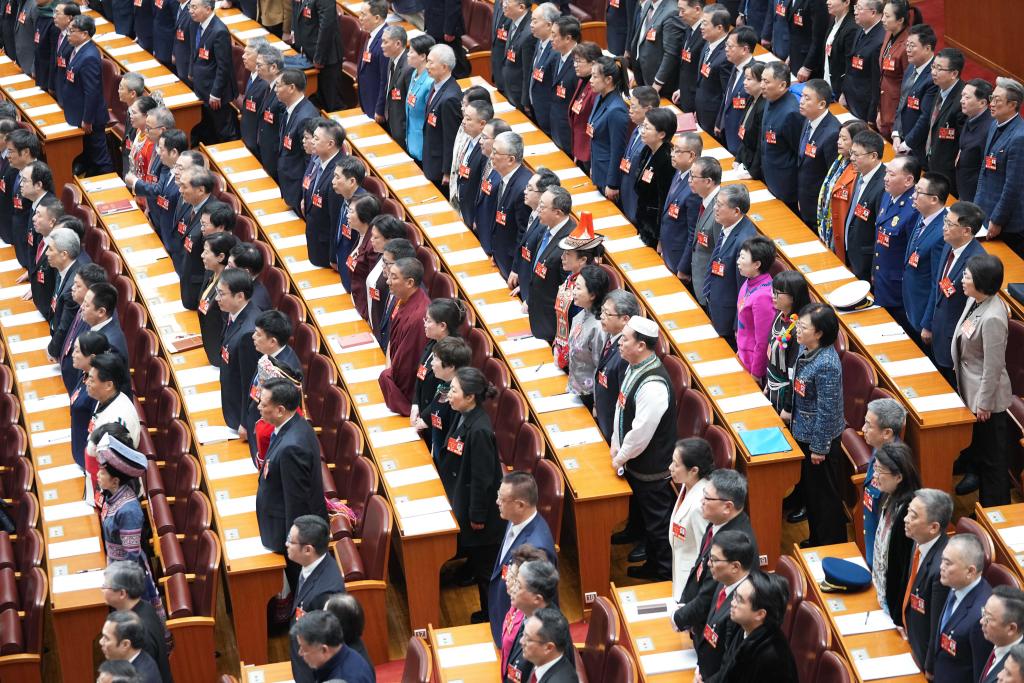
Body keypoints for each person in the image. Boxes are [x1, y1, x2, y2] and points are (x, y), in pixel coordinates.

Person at [612, 316, 676, 581]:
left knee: (658, 525)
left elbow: (641, 432)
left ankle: (664, 573)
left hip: (652, 468)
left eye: (625, 339)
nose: (619, 342)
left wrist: (621, 457)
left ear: (641, 345)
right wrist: (616, 445)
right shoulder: (634, 366)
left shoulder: (653, 384)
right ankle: (652, 563)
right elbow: (621, 408)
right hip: (635, 462)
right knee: (647, 519)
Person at [255, 378, 327, 593]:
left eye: (263, 404)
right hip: (280, 523)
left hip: (290, 535)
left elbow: (297, 503)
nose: (258, 407)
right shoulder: (293, 426)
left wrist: (293, 544)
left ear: (279, 410)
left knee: (301, 590)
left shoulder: (292, 447)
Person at [443, 368, 504, 614]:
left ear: (470, 397)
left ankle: (492, 617)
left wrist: (477, 516)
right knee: (480, 568)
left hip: (483, 518)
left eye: (454, 390)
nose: (449, 394)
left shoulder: (479, 430)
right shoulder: (463, 415)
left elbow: (482, 479)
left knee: (486, 572)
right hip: (464, 500)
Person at [953, 253, 1012, 505]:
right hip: (971, 390)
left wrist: (984, 403)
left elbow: (993, 366)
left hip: (987, 401)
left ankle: (995, 514)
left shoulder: (993, 317)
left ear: (981, 282)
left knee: (993, 461)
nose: (962, 279)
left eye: (967, 276)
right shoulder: (975, 300)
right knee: (981, 452)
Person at [791, 302, 846, 546]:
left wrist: (819, 447)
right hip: (805, 431)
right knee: (813, 494)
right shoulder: (807, 349)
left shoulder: (826, 364)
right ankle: (816, 539)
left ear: (819, 333)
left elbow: (828, 410)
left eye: (803, 327)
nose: (797, 330)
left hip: (819, 442)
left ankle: (830, 545)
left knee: (825, 498)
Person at [673, 468, 757, 618]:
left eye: (707, 498)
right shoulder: (717, 521)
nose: (702, 502)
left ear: (727, 507)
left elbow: (709, 596)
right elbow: (699, 566)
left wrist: (679, 618)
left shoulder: (734, 546)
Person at [95, 429, 162, 617]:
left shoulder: (129, 510)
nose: (98, 475)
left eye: (102, 473)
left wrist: (122, 589)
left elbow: (131, 557)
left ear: (115, 481)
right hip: (115, 565)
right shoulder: (112, 496)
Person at [488, 472, 558, 644]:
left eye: (502, 499)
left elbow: (535, 605)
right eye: (498, 495)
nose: (497, 502)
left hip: (517, 634)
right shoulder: (515, 519)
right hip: (503, 618)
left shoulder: (537, 549)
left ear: (520, 505)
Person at [926, 200, 986, 389]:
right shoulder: (948, 245)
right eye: (945, 221)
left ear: (966, 231)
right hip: (938, 335)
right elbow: (938, 287)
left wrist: (962, 351)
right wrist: (928, 324)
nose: (944, 227)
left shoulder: (977, 263)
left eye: (949, 224)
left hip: (956, 347)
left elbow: (976, 312)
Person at [686, 530, 754, 681]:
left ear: (735, 566)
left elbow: (733, 663)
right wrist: (700, 667)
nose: (708, 563)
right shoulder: (723, 583)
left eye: (715, 560)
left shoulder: (743, 607)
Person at [286, 516, 346, 683]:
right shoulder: (315, 563)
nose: (286, 544)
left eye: (291, 541)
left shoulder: (325, 594)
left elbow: (325, 649)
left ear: (308, 549)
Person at [902, 488, 953, 674]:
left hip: (924, 659)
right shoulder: (919, 541)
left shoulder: (941, 570)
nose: (905, 519)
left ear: (933, 527)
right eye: (908, 511)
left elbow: (937, 626)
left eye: (913, 516)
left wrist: (930, 668)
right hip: (911, 639)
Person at [715, 571, 799, 682]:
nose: (732, 603)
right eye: (735, 595)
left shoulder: (773, 660)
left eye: (739, 600)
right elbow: (725, 671)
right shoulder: (743, 626)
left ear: (760, 614)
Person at [870, 442, 919, 624]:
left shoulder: (908, 515)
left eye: (879, 471)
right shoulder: (889, 496)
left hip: (894, 607)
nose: (874, 476)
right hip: (881, 592)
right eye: (875, 468)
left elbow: (902, 569)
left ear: (898, 477)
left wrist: (897, 617)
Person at [933, 534, 994, 683]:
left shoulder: (980, 618)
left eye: (948, 563)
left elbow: (979, 673)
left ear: (970, 571)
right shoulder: (957, 584)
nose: (941, 567)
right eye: (942, 560)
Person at [241, 310, 301, 455]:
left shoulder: (285, 372)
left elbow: (279, 415)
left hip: (267, 435)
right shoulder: (270, 356)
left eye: (258, 334)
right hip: (255, 423)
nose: (253, 336)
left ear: (272, 341)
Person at [705, 185, 758, 348]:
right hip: (716, 306)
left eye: (720, 205)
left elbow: (745, 289)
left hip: (728, 321)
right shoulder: (727, 227)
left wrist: (737, 325)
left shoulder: (744, 241)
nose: (715, 208)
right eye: (716, 202)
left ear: (736, 211)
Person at [101, 562, 172, 683]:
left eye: (105, 586)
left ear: (122, 593)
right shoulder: (145, 606)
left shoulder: (139, 632)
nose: (102, 589)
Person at [975, 78, 1024, 253]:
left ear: (1012, 105)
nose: (991, 104)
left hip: (1006, 224)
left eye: (997, 100)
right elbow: (985, 170)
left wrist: (997, 220)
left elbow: (1013, 186)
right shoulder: (994, 125)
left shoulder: (1019, 137)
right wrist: (976, 208)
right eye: (992, 98)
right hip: (985, 213)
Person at [377, 258, 431, 416]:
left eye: (394, 277)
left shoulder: (418, 317)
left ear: (410, 282)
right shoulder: (404, 299)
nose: (388, 281)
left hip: (406, 390)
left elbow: (408, 366)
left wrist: (388, 377)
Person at [873, 155, 921, 330]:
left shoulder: (914, 209)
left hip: (898, 290)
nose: (886, 178)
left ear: (908, 180)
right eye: (886, 173)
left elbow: (913, 254)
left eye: (892, 175)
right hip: (882, 279)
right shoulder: (888, 195)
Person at [856, 397, 907, 565]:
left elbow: (892, 527)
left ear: (887, 433)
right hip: (872, 543)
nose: (863, 429)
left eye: (868, 425)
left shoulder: (893, 470)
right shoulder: (879, 450)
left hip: (883, 557)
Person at [504, 560, 572, 683]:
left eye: (519, 586)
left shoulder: (548, 635)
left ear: (537, 598)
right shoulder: (530, 615)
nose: (513, 589)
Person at [86, 354, 140, 505]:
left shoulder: (118, 419)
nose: (87, 383)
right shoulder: (107, 398)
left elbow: (115, 467)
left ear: (108, 385)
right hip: (100, 482)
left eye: (92, 380)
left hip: (114, 494)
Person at [902, 173, 949, 346]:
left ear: (934, 199)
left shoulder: (942, 233)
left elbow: (937, 282)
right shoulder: (923, 216)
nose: (913, 196)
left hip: (923, 316)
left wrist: (928, 324)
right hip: (912, 306)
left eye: (918, 192)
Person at [62, 15, 113, 175]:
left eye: (72, 31)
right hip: (78, 112)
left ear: (84, 34)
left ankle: (109, 181)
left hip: (91, 118)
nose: (68, 34)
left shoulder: (89, 56)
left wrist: (87, 119)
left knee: (100, 157)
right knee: (90, 152)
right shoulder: (78, 50)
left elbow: (92, 92)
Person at [527, 187, 577, 345]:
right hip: (537, 314)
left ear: (557, 213)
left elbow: (567, 292)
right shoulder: (545, 228)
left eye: (542, 207)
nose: (538, 210)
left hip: (552, 325)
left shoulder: (570, 244)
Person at [411, 298, 465, 442]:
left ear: (442, 326)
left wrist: (426, 418)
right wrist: (415, 404)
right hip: (423, 415)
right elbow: (421, 373)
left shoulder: (453, 355)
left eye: (428, 321)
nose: (424, 324)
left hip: (438, 424)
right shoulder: (433, 343)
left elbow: (445, 392)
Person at [552, 227, 604, 372]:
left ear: (582, 260)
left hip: (578, 359)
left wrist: (565, 355)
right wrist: (557, 345)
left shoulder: (587, 288)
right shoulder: (571, 277)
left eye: (568, 254)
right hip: (562, 348)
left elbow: (583, 328)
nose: (562, 257)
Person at [667, 438, 713, 601]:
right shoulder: (688, 484)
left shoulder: (700, 506)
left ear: (693, 470)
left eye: (676, 464)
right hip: (679, 569)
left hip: (691, 583)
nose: (670, 467)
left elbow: (705, 554)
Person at [187, 0, 238, 144]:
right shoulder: (195, 24)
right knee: (209, 129)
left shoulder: (219, 31)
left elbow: (224, 67)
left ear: (208, 9)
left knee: (224, 132)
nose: (190, 10)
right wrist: (191, 71)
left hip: (216, 93)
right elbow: (194, 51)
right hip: (201, 87)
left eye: (194, 7)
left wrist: (216, 93)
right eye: (190, 6)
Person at [216, 269, 260, 431]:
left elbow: (250, 381)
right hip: (231, 402)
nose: (217, 298)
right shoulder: (233, 313)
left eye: (222, 294)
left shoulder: (249, 333)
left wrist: (245, 422)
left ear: (240, 296)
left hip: (240, 416)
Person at [128, 129, 188, 248]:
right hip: (160, 229)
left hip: (173, 243)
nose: (158, 152)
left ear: (174, 152)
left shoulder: (183, 181)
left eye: (161, 149)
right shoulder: (168, 169)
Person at [509, 168, 561, 303]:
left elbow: (539, 263)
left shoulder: (545, 225)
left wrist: (530, 295)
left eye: (530, 188)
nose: (525, 191)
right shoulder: (532, 212)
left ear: (544, 195)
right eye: (527, 186)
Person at [765, 271, 811, 421]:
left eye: (777, 293)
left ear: (793, 297)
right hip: (772, 384)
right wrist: (767, 383)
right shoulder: (780, 314)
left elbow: (794, 373)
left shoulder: (799, 330)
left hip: (785, 396)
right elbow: (770, 349)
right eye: (773, 291)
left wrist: (788, 408)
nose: (773, 296)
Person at [485, 132, 532, 277]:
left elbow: (524, 234)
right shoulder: (505, 176)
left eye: (496, 152)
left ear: (511, 159)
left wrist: (516, 269)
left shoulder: (523, 189)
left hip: (511, 264)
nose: (491, 156)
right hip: (501, 256)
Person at [593, 290, 637, 441]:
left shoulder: (626, 355)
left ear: (625, 319)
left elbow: (624, 403)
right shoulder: (613, 337)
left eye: (607, 314)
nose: (601, 316)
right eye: (602, 311)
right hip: (604, 420)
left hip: (615, 433)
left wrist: (617, 441)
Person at [890, 23, 937, 162]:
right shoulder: (911, 67)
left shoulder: (934, 77)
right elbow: (902, 102)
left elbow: (925, 117)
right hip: (903, 141)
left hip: (919, 147)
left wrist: (907, 143)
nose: (908, 50)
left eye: (912, 46)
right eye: (907, 45)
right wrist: (896, 133)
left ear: (927, 48)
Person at [844, 129, 888, 281]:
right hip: (852, 254)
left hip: (867, 262)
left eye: (857, 155)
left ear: (873, 156)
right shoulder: (861, 174)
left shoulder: (884, 186)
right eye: (851, 153)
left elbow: (880, 229)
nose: (851, 158)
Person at [796, 79, 841, 227]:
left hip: (819, 209)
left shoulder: (832, 134)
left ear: (821, 104)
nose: (801, 101)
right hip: (804, 200)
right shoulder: (808, 120)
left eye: (807, 98)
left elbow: (833, 178)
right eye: (802, 96)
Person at [760, 61, 803, 213]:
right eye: (761, 80)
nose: (762, 85)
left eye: (767, 82)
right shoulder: (770, 100)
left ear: (782, 85)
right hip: (770, 177)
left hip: (786, 186)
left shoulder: (791, 113)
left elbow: (799, 153)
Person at [566, 265, 609, 409]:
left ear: (592, 295)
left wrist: (597, 403)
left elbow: (600, 368)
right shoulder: (580, 314)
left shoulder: (599, 328)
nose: (574, 291)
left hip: (590, 395)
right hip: (575, 387)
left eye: (578, 288)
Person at [275, 69, 319, 212]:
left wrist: (305, 194)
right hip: (289, 182)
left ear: (291, 88)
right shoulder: (290, 109)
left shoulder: (306, 117)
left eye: (278, 85)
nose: (275, 89)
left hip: (298, 186)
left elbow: (310, 159)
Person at [733, 236, 776, 382]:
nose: (738, 261)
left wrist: (756, 373)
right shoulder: (749, 281)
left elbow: (763, 341)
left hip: (753, 364)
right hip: (743, 354)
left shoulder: (763, 296)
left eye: (742, 258)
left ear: (757, 264)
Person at [633, 108, 677, 250]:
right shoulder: (647, 149)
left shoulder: (667, 161)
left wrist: (660, 237)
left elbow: (664, 201)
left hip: (653, 228)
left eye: (647, 128)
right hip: (643, 220)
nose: (642, 131)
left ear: (662, 134)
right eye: (643, 126)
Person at [303, 120, 344, 269]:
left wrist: (334, 256)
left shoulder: (339, 174)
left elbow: (336, 220)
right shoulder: (317, 160)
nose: (312, 141)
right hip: (314, 238)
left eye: (316, 138)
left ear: (330, 144)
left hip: (326, 248)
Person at [924, 48, 966, 194]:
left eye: (939, 69)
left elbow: (962, 143)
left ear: (954, 74)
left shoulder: (962, 100)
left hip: (948, 174)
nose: (933, 72)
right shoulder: (940, 88)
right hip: (932, 161)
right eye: (933, 67)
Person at [587, 56, 630, 200]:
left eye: (594, 76)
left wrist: (612, 183)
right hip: (598, 169)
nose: (590, 80)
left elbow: (617, 150)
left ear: (608, 80)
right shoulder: (600, 97)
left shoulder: (616, 110)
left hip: (608, 176)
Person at [290, 610, 374, 683]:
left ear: (324, 650)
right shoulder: (345, 653)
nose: (300, 653)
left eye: (304, 649)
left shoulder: (347, 678)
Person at [422, 44, 463, 189]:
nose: (427, 66)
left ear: (444, 67)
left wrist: (447, 171)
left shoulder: (450, 98)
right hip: (430, 158)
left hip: (439, 168)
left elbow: (451, 137)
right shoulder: (436, 86)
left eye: (431, 62)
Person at [682, 156, 723, 305]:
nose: (689, 180)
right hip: (699, 280)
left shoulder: (719, 210)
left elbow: (719, 255)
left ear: (708, 181)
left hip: (710, 289)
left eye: (693, 176)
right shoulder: (705, 200)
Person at [660, 132, 702, 273]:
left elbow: (693, 233)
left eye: (677, 151)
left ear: (691, 156)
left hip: (679, 259)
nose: (672, 154)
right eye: (673, 149)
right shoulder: (679, 172)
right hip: (668, 249)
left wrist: (683, 268)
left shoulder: (694, 188)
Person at [618, 87, 660, 228]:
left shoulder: (651, 140)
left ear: (648, 110)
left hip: (637, 205)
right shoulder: (638, 128)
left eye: (634, 106)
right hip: (626, 194)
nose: (630, 110)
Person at [876, 0, 918, 138]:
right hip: (884, 102)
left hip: (896, 108)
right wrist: (879, 110)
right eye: (883, 14)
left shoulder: (907, 46)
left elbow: (908, 84)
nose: (882, 19)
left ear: (900, 20)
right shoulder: (889, 33)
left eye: (887, 16)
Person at [714, 27, 756, 156]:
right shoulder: (735, 66)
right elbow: (727, 96)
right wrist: (719, 122)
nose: (726, 49)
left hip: (740, 142)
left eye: (730, 46)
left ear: (744, 50)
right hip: (726, 133)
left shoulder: (755, 75)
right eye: (726, 45)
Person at [840, 0, 884, 124]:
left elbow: (876, 81)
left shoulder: (880, 40)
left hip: (864, 105)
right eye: (855, 7)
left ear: (873, 12)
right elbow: (850, 63)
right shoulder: (861, 29)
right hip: (851, 98)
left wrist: (872, 115)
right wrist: (844, 92)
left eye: (859, 8)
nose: (855, 12)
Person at [197, 232, 236, 366]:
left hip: (220, 357)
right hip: (209, 347)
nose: (202, 255)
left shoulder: (227, 288)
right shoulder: (211, 274)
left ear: (220, 257)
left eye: (206, 252)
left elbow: (226, 326)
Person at [329, 156, 370, 280]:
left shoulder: (363, 206)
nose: (333, 181)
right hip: (343, 263)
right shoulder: (345, 196)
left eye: (337, 177)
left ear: (352, 181)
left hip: (355, 272)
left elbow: (364, 243)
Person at [452, 99, 491, 227]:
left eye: (468, 119)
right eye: (464, 117)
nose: (463, 121)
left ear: (482, 124)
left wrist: (477, 217)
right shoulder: (468, 139)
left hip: (474, 215)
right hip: (462, 205)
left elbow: (482, 187)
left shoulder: (485, 151)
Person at [694, 4, 731, 137]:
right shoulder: (708, 44)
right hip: (701, 112)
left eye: (705, 23)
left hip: (713, 118)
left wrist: (720, 121)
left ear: (719, 28)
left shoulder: (727, 56)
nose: (701, 27)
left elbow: (726, 93)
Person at [356, 213, 400, 323]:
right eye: (371, 236)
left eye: (376, 237)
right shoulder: (380, 255)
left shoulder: (394, 268)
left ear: (390, 240)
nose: (371, 240)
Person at [955, 79, 994, 203]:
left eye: (967, 97)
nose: (961, 100)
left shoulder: (989, 129)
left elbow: (986, 170)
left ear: (982, 103)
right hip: (963, 188)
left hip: (974, 197)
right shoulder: (971, 116)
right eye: (962, 96)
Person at [521, 3, 558, 134]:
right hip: (536, 108)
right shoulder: (539, 41)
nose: (531, 25)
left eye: (535, 21)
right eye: (531, 20)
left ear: (548, 25)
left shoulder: (555, 51)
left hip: (548, 115)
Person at [370, 238, 416, 342]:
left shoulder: (408, 293)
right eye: (383, 261)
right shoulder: (391, 282)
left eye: (386, 263)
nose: (383, 266)